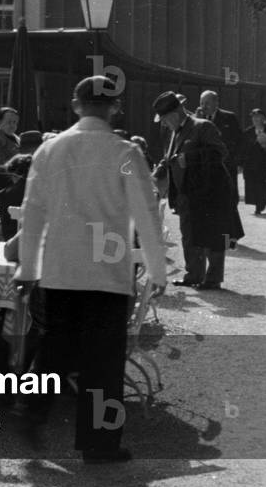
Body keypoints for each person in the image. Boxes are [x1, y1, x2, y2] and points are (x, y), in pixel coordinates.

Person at [14, 76, 166, 464]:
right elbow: (146, 213)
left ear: (76, 105)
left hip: (60, 268)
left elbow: (33, 213)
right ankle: (98, 444)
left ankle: (33, 412)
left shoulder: (50, 151)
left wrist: (27, 268)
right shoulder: (126, 153)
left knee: (54, 349)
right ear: (115, 108)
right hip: (107, 271)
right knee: (102, 362)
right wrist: (157, 269)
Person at [152, 91, 241, 290]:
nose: (164, 123)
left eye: (165, 119)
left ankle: (213, 279)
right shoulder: (174, 130)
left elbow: (220, 152)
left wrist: (190, 159)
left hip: (208, 192)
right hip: (185, 192)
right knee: (189, 234)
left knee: (212, 235)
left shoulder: (202, 126)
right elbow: (169, 157)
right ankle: (193, 275)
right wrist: (157, 172)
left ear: (174, 114)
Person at [197, 90, 242, 201]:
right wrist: (197, 120)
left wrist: (236, 160)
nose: (204, 106)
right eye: (201, 103)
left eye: (207, 103)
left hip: (226, 164)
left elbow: (239, 140)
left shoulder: (229, 117)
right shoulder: (196, 121)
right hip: (206, 167)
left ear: (216, 103)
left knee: (229, 197)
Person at [238, 109, 266, 215]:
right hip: (251, 165)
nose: (255, 119)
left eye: (258, 117)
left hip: (265, 165)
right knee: (253, 186)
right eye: (253, 117)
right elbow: (242, 149)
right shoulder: (247, 133)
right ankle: (258, 205)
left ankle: (261, 203)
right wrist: (240, 164)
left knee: (263, 186)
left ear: (263, 119)